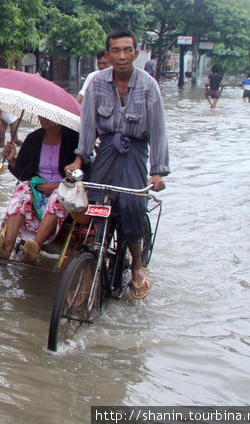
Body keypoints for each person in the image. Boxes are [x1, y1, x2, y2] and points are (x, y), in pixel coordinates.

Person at [65, 29, 169, 300]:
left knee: (131, 204)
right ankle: (88, 272)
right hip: (107, 148)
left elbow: (158, 131)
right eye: (116, 51)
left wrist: (157, 172)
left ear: (135, 53)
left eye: (127, 50)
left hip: (135, 151)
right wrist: (79, 159)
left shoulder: (149, 85)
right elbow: (88, 126)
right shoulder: (97, 82)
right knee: (96, 204)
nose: (122, 56)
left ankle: (136, 264)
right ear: (108, 54)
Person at [0, 117, 80, 264]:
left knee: (58, 195)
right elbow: (22, 174)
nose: (43, 119)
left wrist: (56, 186)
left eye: (48, 117)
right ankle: (7, 244)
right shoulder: (34, 138)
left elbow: (81, 176)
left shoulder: (75, 140)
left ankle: (34, 247)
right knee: (22, 188)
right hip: (36, 188)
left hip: (63, 189)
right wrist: (12, 159)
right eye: (41, 116)